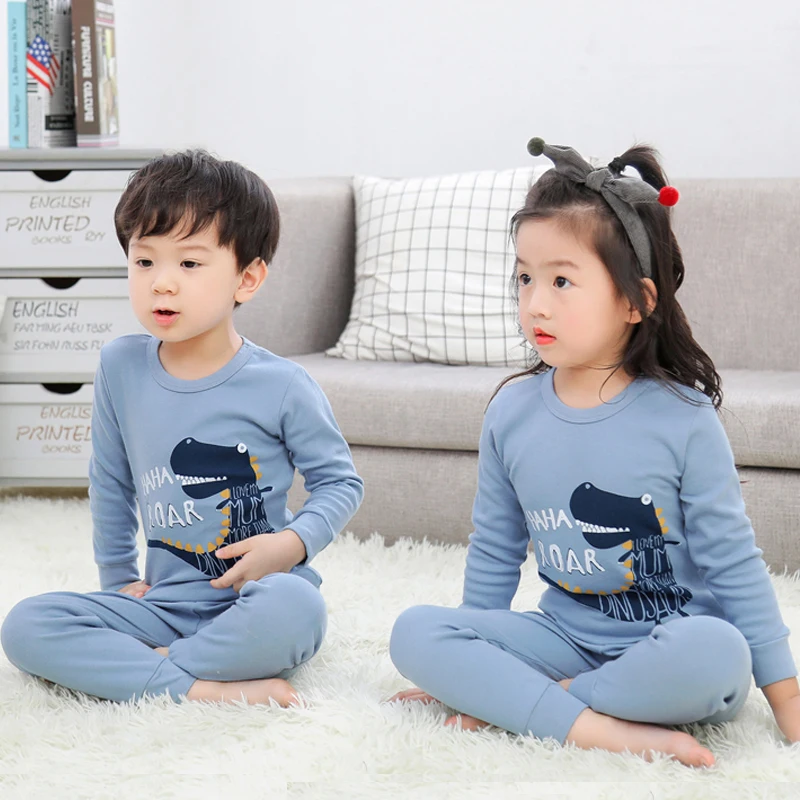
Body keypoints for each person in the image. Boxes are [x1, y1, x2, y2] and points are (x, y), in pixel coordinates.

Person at [388, 138, 799, 767]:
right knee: (414, 631)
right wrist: (475, 654)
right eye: (525, 277)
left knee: (719, 653)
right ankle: (602, 726)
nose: (535, 303)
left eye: (561, 280)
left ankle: (544, 706)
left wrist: (787, 696)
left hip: (670, 644)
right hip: (561, 636)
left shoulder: (683, 418)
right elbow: (495, 548)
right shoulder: (511, 412)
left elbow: (733, 562)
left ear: (636, 301)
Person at [1, 150, 364, 706]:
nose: (162, 284)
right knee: (27, 624)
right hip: (161, 604)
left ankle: (148, 672)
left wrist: (291, 545)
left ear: (247, 278)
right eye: (145, 261)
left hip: (257, 596)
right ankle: (202, 687)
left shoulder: (283, 385)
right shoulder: (120, 366)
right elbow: (111, 481)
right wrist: (119, 582)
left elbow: (340, 482)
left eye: (190, 264)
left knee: (299, 610)